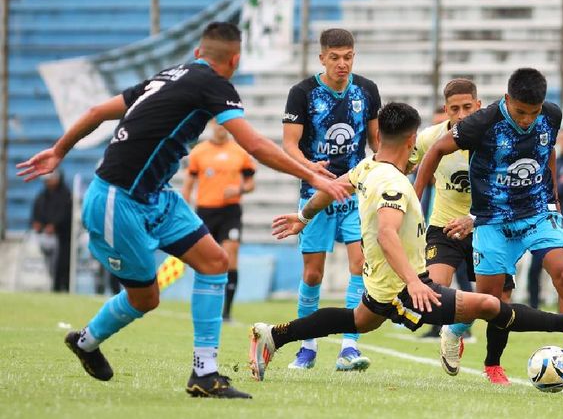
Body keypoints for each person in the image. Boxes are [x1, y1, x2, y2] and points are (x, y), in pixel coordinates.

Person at [16, 21, 349, 399]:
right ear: (235, 59)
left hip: (156, 196)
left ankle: (204, 374)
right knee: (146, 298)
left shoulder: (166, 76)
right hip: (116, 199)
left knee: (214, 262)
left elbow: (96, 111)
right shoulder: (214, 85)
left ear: (197, 53)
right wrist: (316, 177)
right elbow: (254, 145)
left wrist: (59, 151)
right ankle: (86, 341)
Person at [248, 102, 563, 382]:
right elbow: (388, 234)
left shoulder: (366, 168)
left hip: (382, 282)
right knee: (487, 305)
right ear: (411, 141)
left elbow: (330, 190)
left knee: (357, 320)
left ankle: (275, 336)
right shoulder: (394, 184)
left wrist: (303, 217)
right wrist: (415, 282)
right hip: (403, 288)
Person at [413, 68, 563, 388]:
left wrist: (552, 197)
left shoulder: (551, 115)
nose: (527, 119)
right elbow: (436, 150)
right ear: (507, 99)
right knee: (489, 302)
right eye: (520, 112)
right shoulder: (481, 123)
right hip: (492, 220)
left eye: (534, 112)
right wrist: (415, 204)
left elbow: (548, 150)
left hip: (536, 213)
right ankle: (454, 330)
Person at [281, 28, 380, 371]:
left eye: (348, 56)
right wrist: (310, 168)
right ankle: (306, 348)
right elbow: (289, 144)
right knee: (312, 274)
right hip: (317, 193)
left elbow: (376, 142)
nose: (342, 64)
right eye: (335, 57)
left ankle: (349, 347)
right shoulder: (303, 93)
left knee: (359, 265)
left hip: (355, 192)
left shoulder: (366, 90)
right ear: (321, 58)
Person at [409, 79, 488, 340]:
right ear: (446, 109)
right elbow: (400, 164)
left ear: (479, 105)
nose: (462, 115)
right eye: (455, 109)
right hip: (444, 225)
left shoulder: (495, 139)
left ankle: (457, 331)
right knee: (434, 293)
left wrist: (474, 219)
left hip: (487, 225)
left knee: (496, 301)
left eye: (468, 107)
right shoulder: (430, 138)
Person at [182, 120, 256, 322]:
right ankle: (205, 308)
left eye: (224, 123)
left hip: (230, 212)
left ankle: (227, 312)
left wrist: (239, 189)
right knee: (206, 261)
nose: (220, 126)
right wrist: (184, 210)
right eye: (217, 122)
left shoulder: (239, 152)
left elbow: (251, 183)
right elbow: (189, 184)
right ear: (211, 124)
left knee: (231, 255)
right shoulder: (199, 152)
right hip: (205, 212)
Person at [526, 127, 563, 309]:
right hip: (547, 226)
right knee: (534, 270)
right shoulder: (555, 162)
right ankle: (534, 308)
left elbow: (558, 189)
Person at [30, 169, 73, 292]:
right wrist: (37, 222)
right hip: (44, 235)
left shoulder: (65, 195)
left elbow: (64, 214)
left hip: (62, 238)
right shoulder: (42, 196)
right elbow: (36, 212)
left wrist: (54, 225)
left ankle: (60, 287)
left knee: (62, 265)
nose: (48, 182)